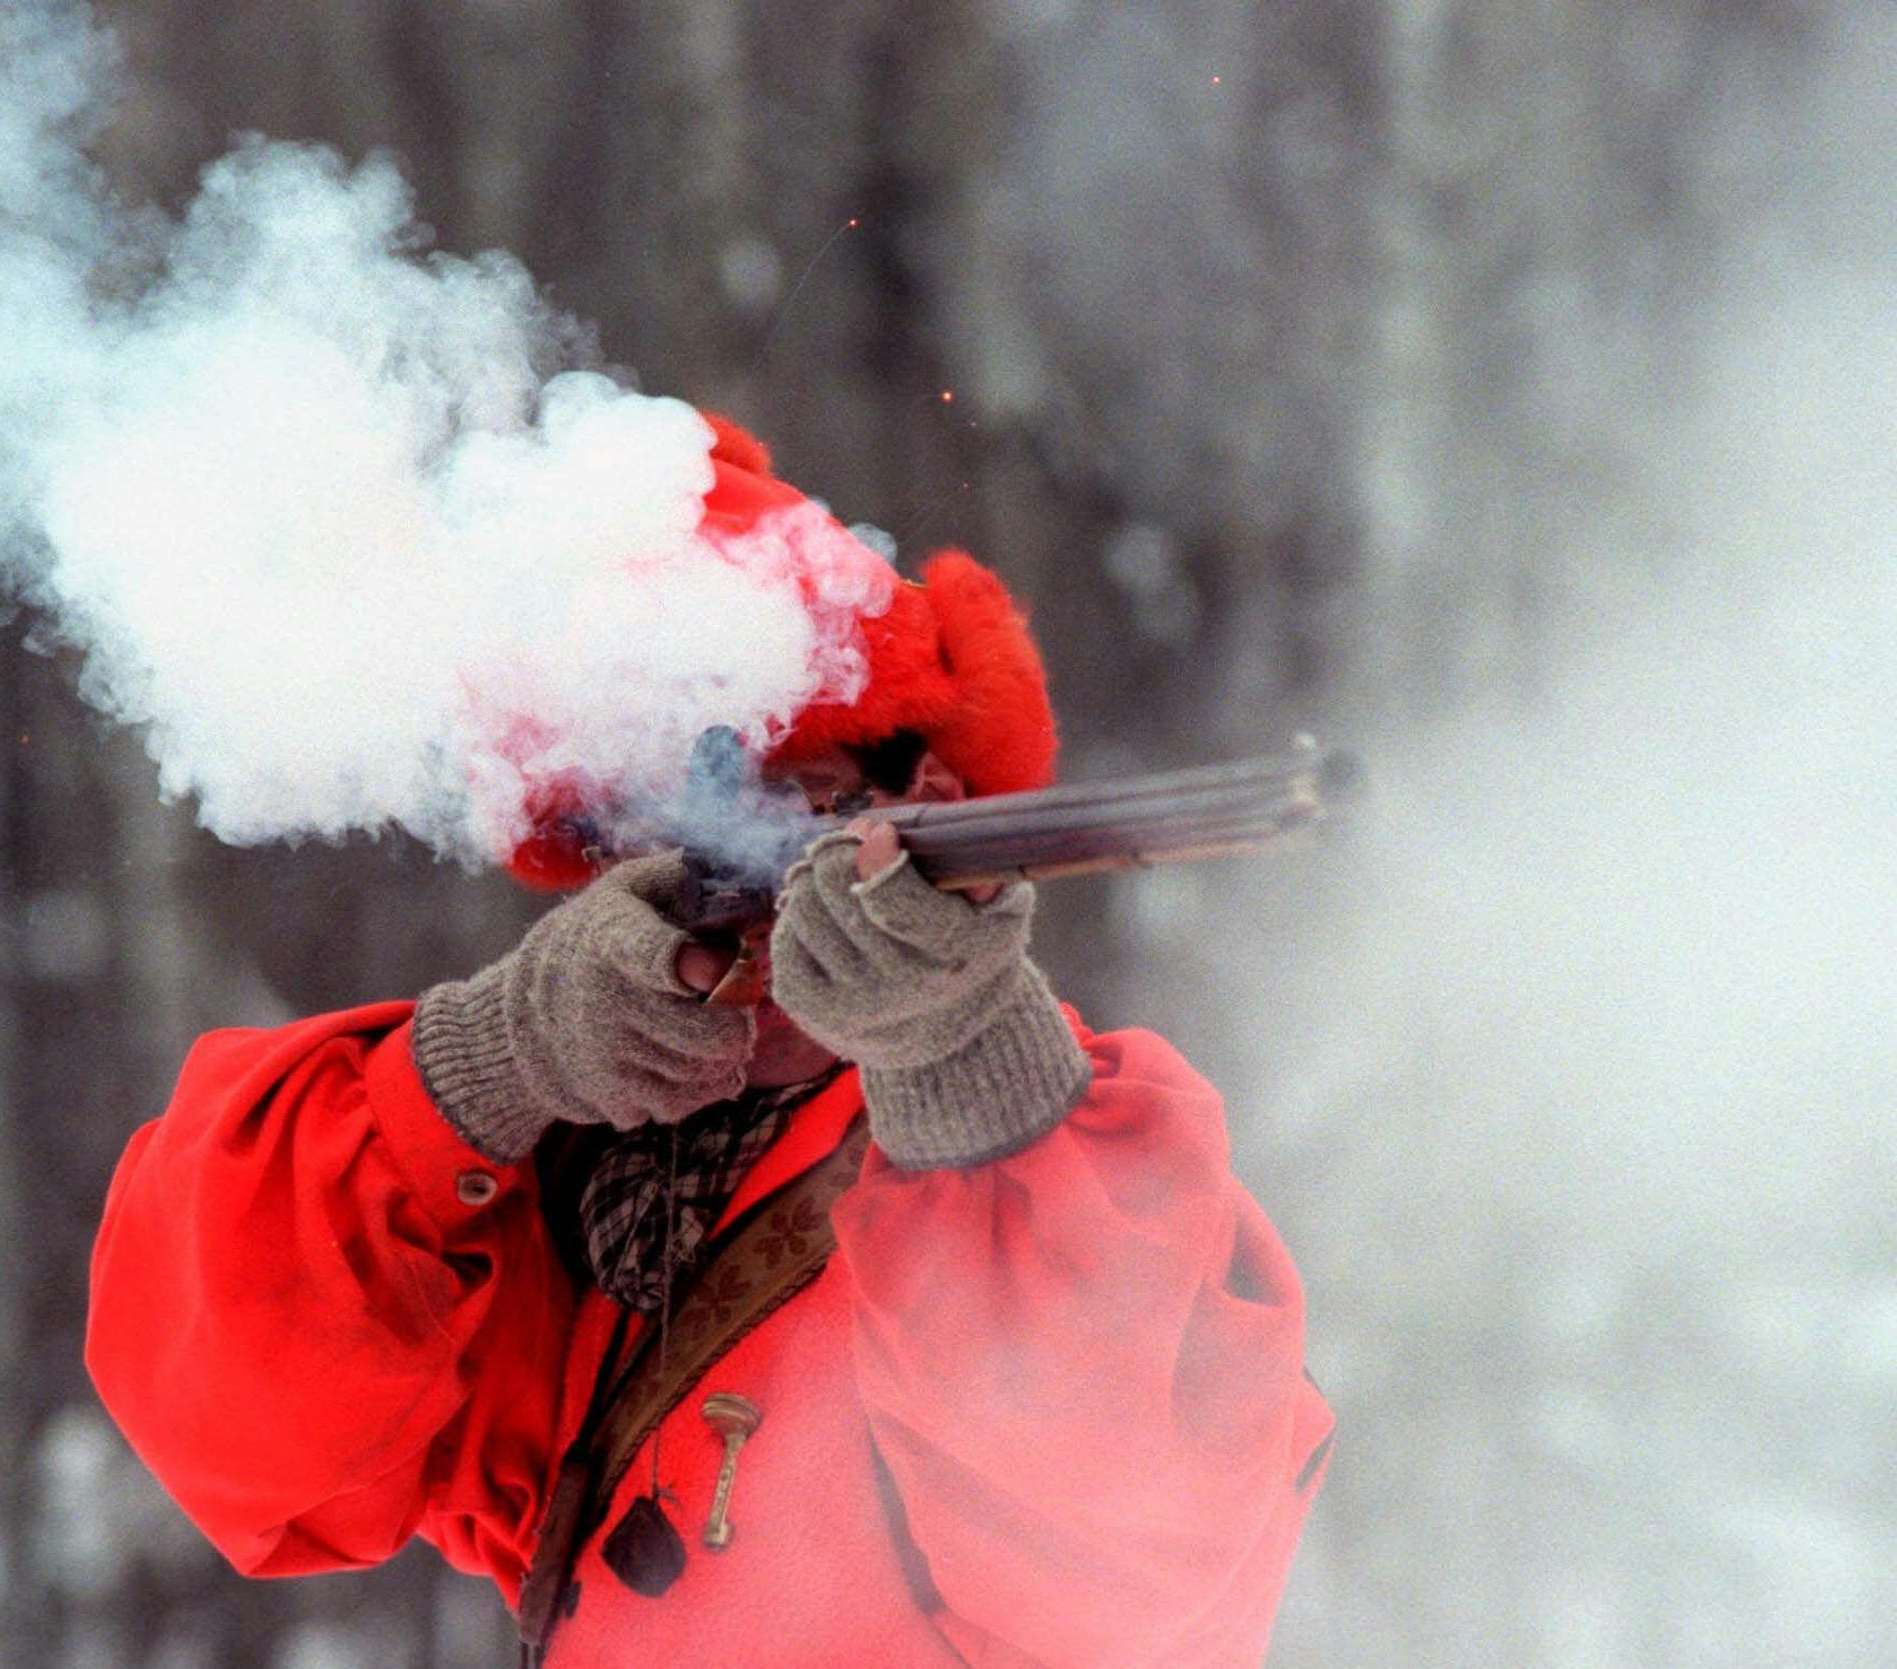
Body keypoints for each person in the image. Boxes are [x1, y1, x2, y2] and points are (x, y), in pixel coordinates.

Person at [85, 417, 1333, 1667]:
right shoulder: (594, 1183)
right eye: (655, 835)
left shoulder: (1062, 1166)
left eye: (788, 801)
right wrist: (488, 1061)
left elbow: (1140, 1595)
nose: (731, 886)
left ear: (926, 809)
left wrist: (964, 1062)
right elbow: (230, 1416)